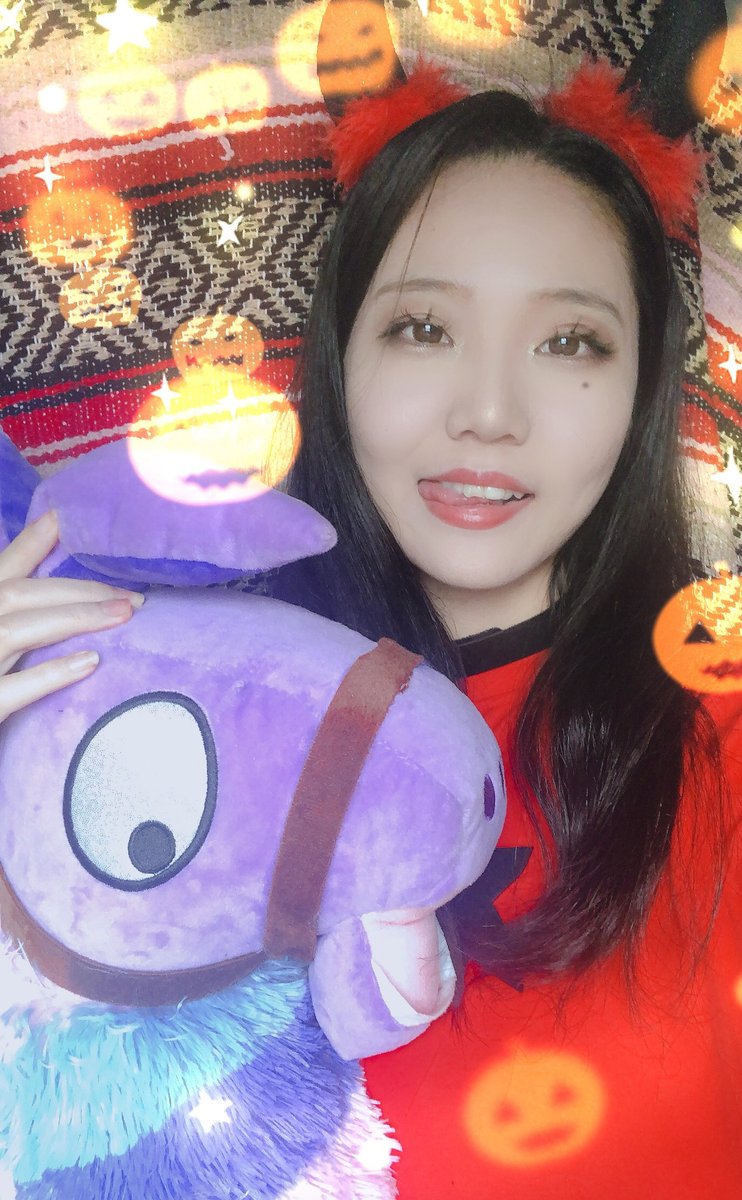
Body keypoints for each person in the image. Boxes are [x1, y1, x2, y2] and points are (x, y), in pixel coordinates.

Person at [0, 61, 739, 1199]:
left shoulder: (718, 734)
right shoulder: (151, 706)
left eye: (570, 343)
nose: (487, 413)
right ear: (340, 363)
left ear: (643, 389)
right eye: (423, 327)